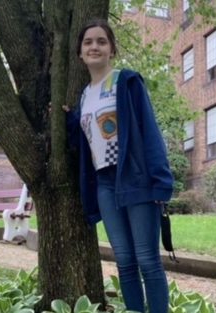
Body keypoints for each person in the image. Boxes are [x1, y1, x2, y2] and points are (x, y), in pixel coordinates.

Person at [64, 19, 174, 313]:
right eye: (88, 42)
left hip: (136, 180)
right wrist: (68, 119)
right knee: (124, 262)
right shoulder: (85, 95)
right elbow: (86, 140)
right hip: (105, 184)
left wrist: (161, 181)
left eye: (101, 41)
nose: (94, 47)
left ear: (112, 48)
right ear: (80, 53)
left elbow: (148, 129)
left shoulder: (126, 81)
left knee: (148, 260)